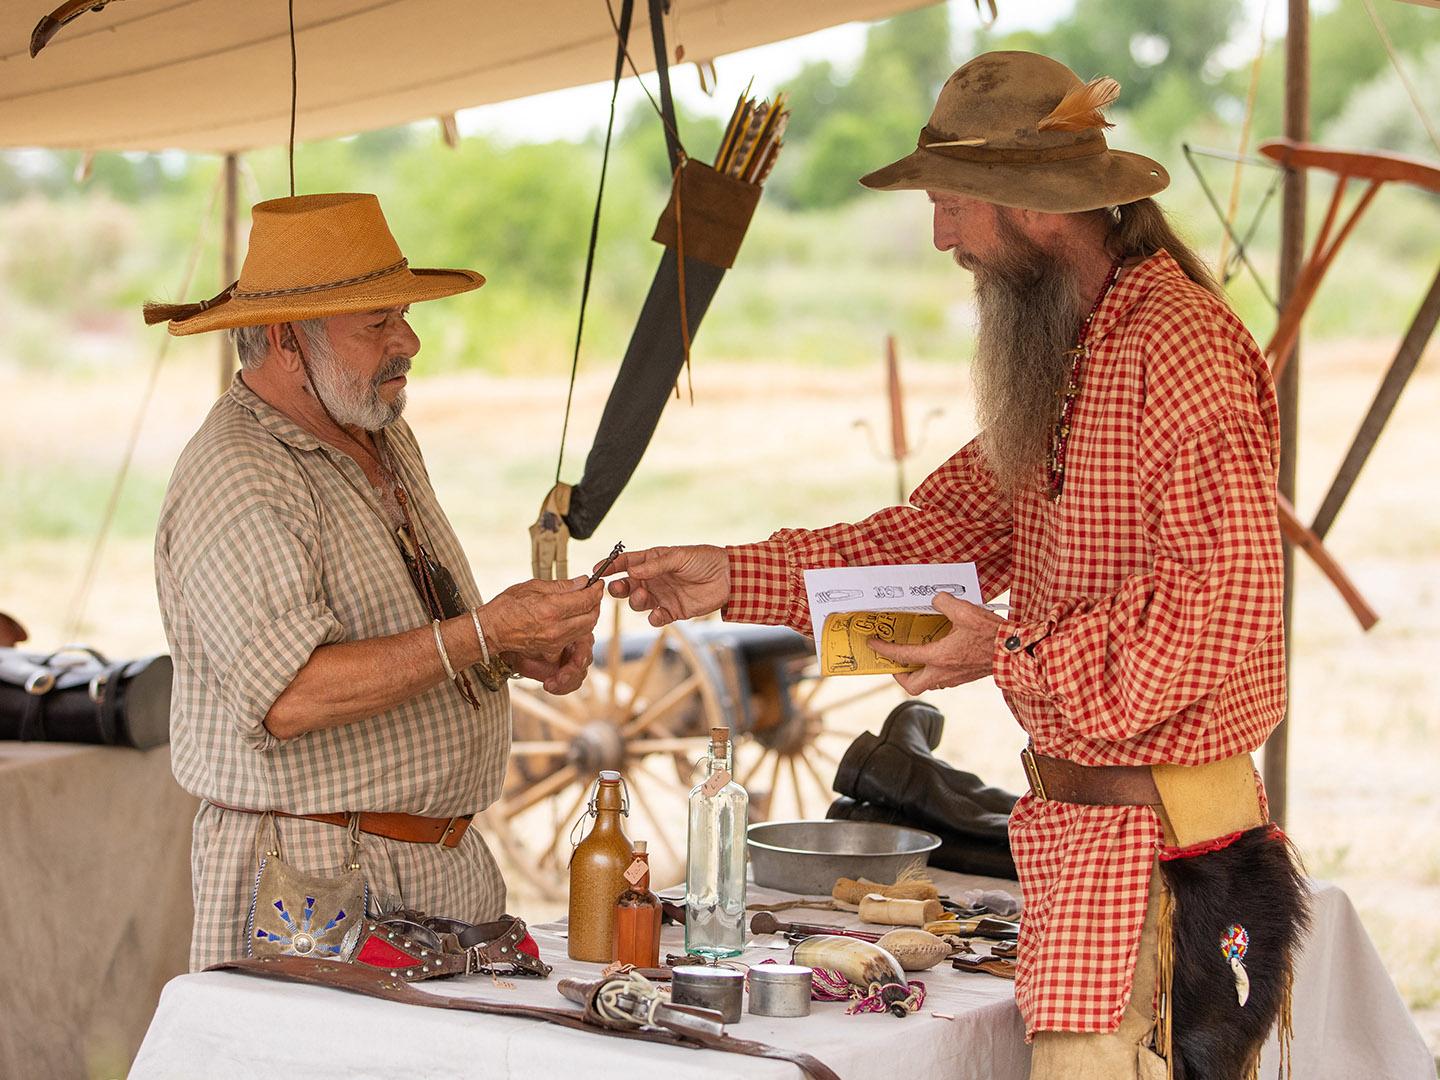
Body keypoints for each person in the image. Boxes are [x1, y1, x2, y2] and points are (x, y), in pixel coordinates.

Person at [607, 53, 1306, 1080]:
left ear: (1034, 208)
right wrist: (731, 578)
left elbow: (1221, 610)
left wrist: (1012, 656)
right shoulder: (1073, 348)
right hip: (1090, 851)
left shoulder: (1177, 345)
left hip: (1174, 866)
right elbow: (930, 538)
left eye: (952, 207)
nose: (944, 239)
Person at [152, 192, 602, 971]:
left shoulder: (375, 431)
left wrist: (508, 653)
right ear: (290, 341)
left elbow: (412, 627)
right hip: (316, 876)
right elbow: (290, 696)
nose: (410, 341)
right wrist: (485, 632)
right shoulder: (242, 474)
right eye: (378, 324)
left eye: (402, 316)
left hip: (432, 868)